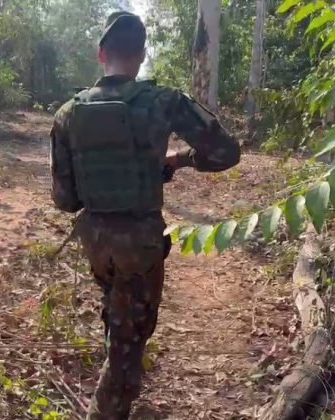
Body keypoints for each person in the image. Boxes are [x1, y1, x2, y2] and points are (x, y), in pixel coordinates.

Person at [49, 11, 241, 420]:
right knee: (129, 342)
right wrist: (179, 158)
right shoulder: (163, 102)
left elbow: (64, 200)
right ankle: (108, 407)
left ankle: (119, 378)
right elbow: (226, 152)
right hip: (142, 247)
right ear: (141, 55)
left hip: (98, 244)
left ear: (102, 54)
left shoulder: (67, 114)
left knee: (118, 318)